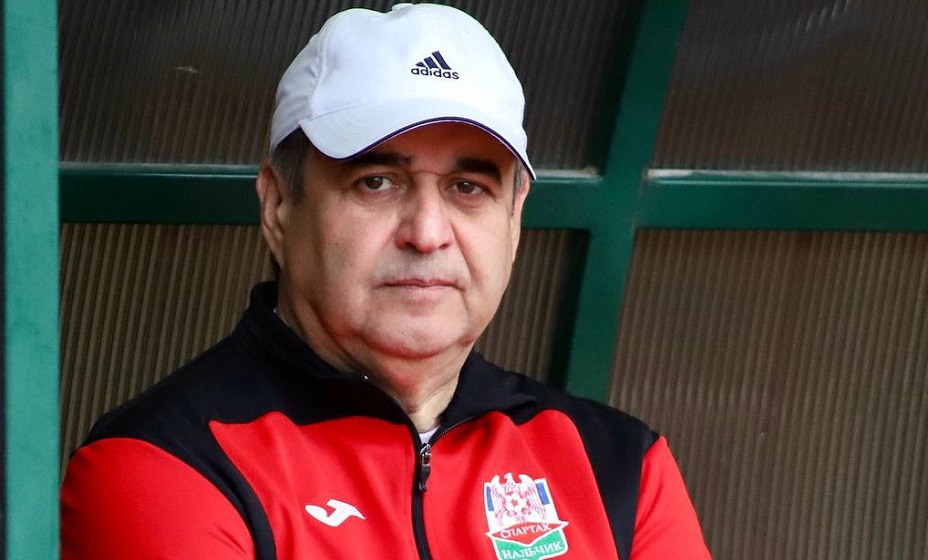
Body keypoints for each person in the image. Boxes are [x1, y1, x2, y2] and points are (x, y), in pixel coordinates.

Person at [61, 4, 711, 559]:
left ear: (514, 219)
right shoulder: (161, 464)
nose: (427, 233)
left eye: (468, 187)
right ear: (279, 205)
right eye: (377, 182)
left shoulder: (621, 468)